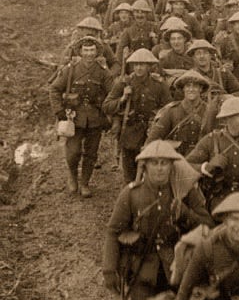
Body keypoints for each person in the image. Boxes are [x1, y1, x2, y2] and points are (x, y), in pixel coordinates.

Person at [102, 140, 212, 300]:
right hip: (142, 270)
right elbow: (113, 231)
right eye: (155, 164)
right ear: (145, 166)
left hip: (176, 272)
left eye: (165, 163)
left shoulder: (185, 192)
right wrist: (109, 269)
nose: (160, 169)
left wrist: (185, 213)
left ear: (172, 166)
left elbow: (208, 225)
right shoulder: (131, 195)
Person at [49, 35, 114, 196]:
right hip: (74, 118)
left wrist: (108, 112)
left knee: (91, 154)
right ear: (80, 51)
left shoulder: (103, 73)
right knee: (73, 152)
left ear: (97, 52)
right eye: (86, 50)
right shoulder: (70, 69)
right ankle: (72, 175)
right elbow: (54, 89)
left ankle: (85, 183)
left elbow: (113, 92)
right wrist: (59, 111)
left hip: (95, 119)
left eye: (92, 50)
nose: (89, 54)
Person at [186, 95, 239, 211]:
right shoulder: (211, 140)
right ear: (225, 119)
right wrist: (206, 167)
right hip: (218, 200)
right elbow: (185, 166)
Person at [103, 48, 171, 183]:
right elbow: (106, 106)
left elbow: (169, 108)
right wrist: (122, 98)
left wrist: (157, 117)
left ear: (149, 66)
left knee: (150, 172)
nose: (139, 68)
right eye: (136, 64)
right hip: (129, 133)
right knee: (129, 175)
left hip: (151, 132)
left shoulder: (159, 85)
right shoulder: (124, 83)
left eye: (143, 64)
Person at [146, 69, 216, 156]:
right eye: (188, 86)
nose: (191, 89)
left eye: (195, 86)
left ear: (201, 88)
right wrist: (175, 145)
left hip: (201, 160)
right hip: (177, 159)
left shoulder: (210, 111)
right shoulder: (171, 111)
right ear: (183, 89)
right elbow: (151, 142)